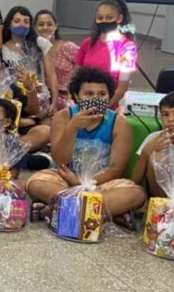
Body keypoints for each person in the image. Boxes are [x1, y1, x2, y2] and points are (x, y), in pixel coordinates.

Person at [25, 67, 147, 226]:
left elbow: (117, 168)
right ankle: (103, 213)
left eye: (102, 94)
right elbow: (60, 160)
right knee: (36, 184)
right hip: (65, 178)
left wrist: (84, 183)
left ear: (109, 96)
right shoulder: (64, 117)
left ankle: (59, 208)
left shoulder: (119, 123)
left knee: (136, 194)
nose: (96, 99)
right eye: (89, 94)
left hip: (101, 183)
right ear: (76, 96)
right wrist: (72, 128)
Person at [75, 0, 138, 108]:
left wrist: (103, 108)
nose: (104, 21)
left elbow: (121, 88)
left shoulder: (128, 48)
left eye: (109, 18)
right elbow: (75, 77)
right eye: (100, 17)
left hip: (110, 106)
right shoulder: (87, 43)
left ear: (119, 18)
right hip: (83, 103)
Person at [35, 9, 79, 111]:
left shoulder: (68, 47)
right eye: (41, 24)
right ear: (35, 28)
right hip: (45, 100)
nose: (45, 28)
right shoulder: (34, 52)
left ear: (56, 26)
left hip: (70, 99)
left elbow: (82, 69)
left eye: (49, 24)